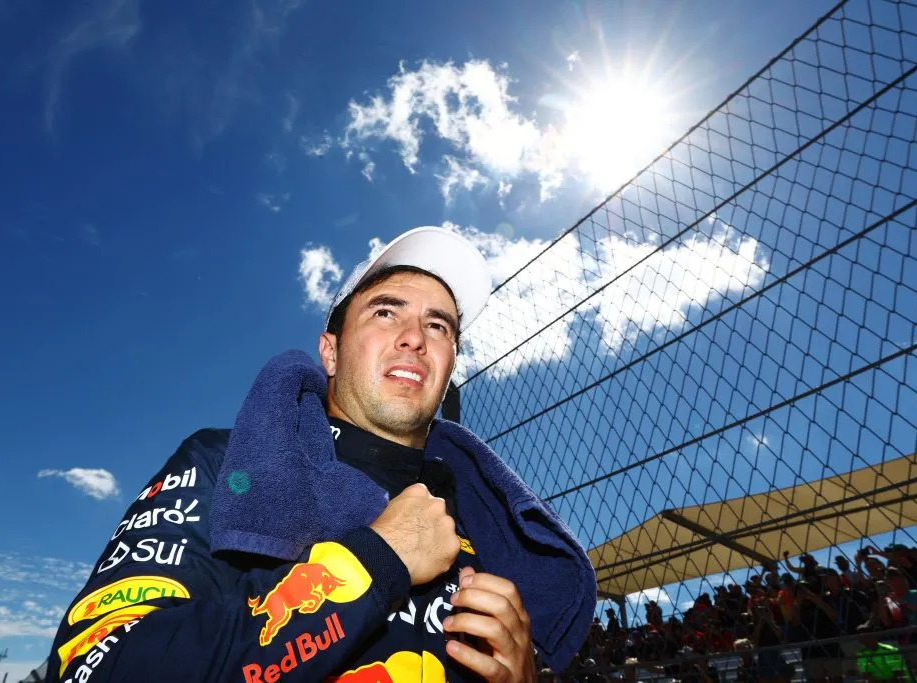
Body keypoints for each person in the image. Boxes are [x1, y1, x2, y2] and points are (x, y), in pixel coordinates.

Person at [46, 226, 596, 683]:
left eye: (439, 326)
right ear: (329, 353)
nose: (415, 337)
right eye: (386, 312)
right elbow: (94, 665)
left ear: (450, 362)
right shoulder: (228, 465)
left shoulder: (487, 525)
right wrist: (375, 562)